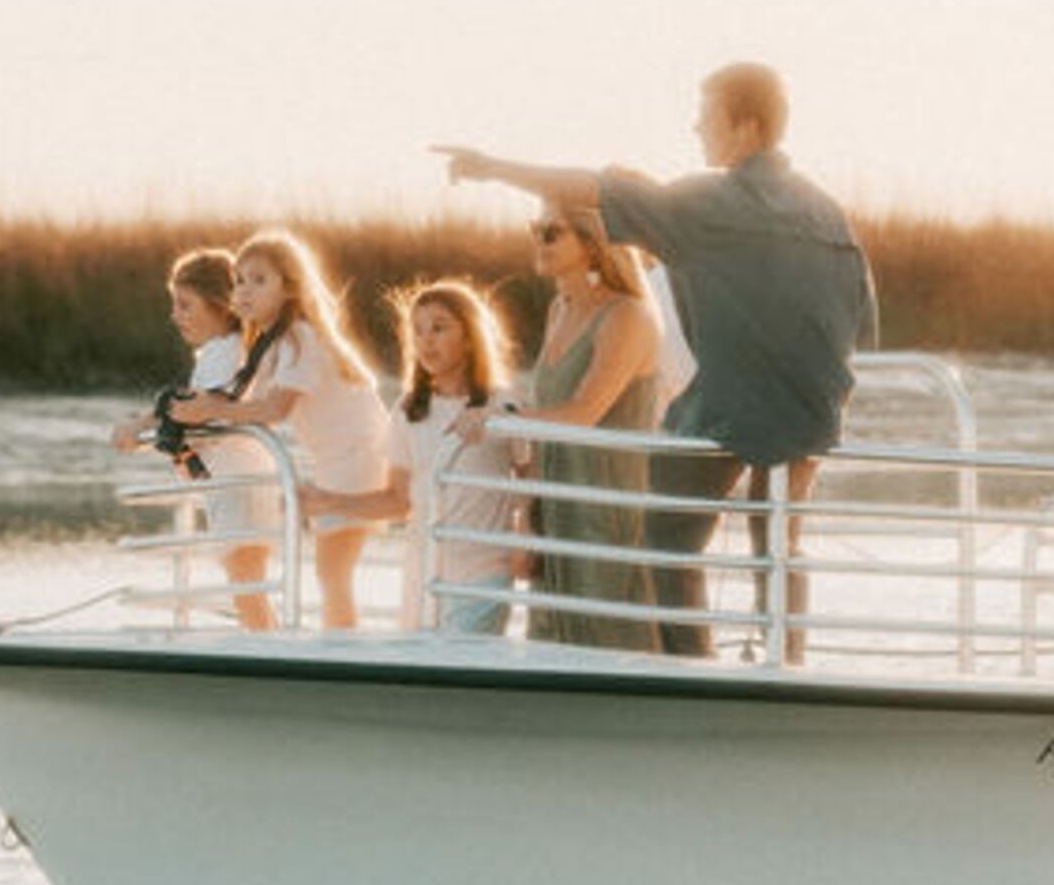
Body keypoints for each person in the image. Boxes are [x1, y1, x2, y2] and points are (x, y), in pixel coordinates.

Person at [436, 61, 877, 658]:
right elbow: (862, 319)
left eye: (705, 117)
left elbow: (590, 188)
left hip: (731, 410)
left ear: (744, 127)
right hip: (815, 407)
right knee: (778, 543)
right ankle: (787, 664)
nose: (696, 129)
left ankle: (690, 668)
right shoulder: (829, 213)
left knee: (662, 536)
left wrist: (492, 168)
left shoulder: (709, 205)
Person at [175, 227, 390, 629]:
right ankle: (335, 644)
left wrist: (208, 410)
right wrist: (202, 414)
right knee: (332, 568)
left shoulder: (298, 339)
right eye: (239, 281)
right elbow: (242, 401)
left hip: (358, 453)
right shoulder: (272, 343)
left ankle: (341, 652)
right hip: (338, 457)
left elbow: (272, 408)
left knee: (333, 569)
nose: (244, 291)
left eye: (259, 280)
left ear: (290, 288)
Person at [308, 278, 531, 635]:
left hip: (483, 573)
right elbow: (398, 501)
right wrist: (329, 501)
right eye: (418, 331)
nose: (426, 340)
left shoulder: (501, 404)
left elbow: (529, 476)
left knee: (462, 669)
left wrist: (526, 537)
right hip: (422, 573)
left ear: (471, 337)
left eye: (439, 328)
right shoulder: (410, 410)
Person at [515, 207, 668, 647]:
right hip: (555, 500)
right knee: (547, 633)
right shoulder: (558, 309)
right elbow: (544, 411)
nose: (539, 242)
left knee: (607, 629)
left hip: (601, 501)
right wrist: (527, 516)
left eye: (551, 232)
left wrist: (497, 421)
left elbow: (584, 413)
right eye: (534, 229)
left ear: (593, 242)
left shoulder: (628, 316)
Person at [114, 247, 273, 621]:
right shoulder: (224, 352)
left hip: (239, 481)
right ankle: (265, 640)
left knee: (245, 584)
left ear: (221, 305)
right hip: (238, 479)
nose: (175, 316)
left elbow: (199, 411)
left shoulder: (227, 352)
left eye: (185, 305)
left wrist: (139, 427)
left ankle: (265, 647)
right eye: (174, 305)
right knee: (247, 584)